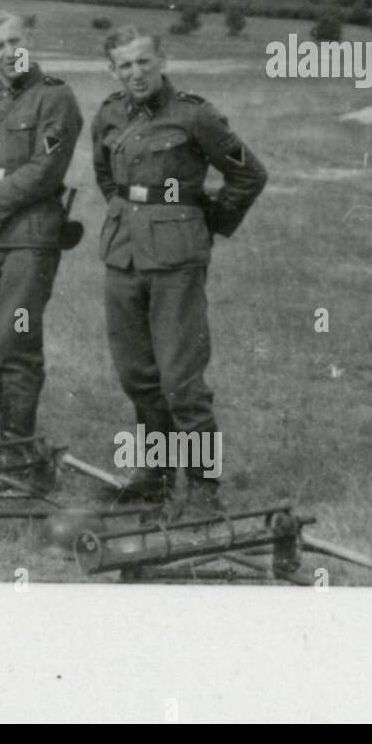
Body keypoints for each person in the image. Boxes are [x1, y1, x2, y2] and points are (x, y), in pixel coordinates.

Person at [90, 26, 268, 508]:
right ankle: (156, 475)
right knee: (137, 374)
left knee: (181, 379)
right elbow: (107, 177)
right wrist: (127, 217)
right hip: (123, 256)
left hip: (176, 261)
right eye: (124, 65)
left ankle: (204, 489)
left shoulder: (195, 114)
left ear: (161, 59)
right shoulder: (108, 114)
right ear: (113, 70)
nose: (136, 73)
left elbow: (248, 172)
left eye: (144, 62)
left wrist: (206, 222)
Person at [0, 11, 83, 443]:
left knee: (17, 338)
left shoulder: (55, 99)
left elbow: (44, 169)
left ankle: (17, 448)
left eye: (15, 42)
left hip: (29, 239)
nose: (9, 53)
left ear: (30, 39)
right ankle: (12, 434)